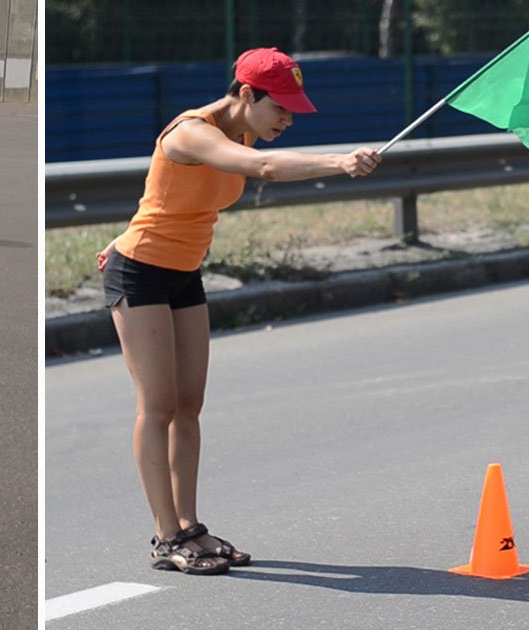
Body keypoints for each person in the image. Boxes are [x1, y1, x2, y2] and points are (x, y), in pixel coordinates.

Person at [95, 47, 382, 575]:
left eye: (294, 111)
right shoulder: (193, 132)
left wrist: (127, 232)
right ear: (246, 94)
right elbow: (265, 169)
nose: (288, 120)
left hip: (183, 272)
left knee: (189, 404)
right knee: (157, 406)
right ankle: (165, 537)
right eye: (281, 108)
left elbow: (170, 198)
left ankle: (190, 526)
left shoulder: (247, 130)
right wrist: (339, 162)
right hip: (139, 273)